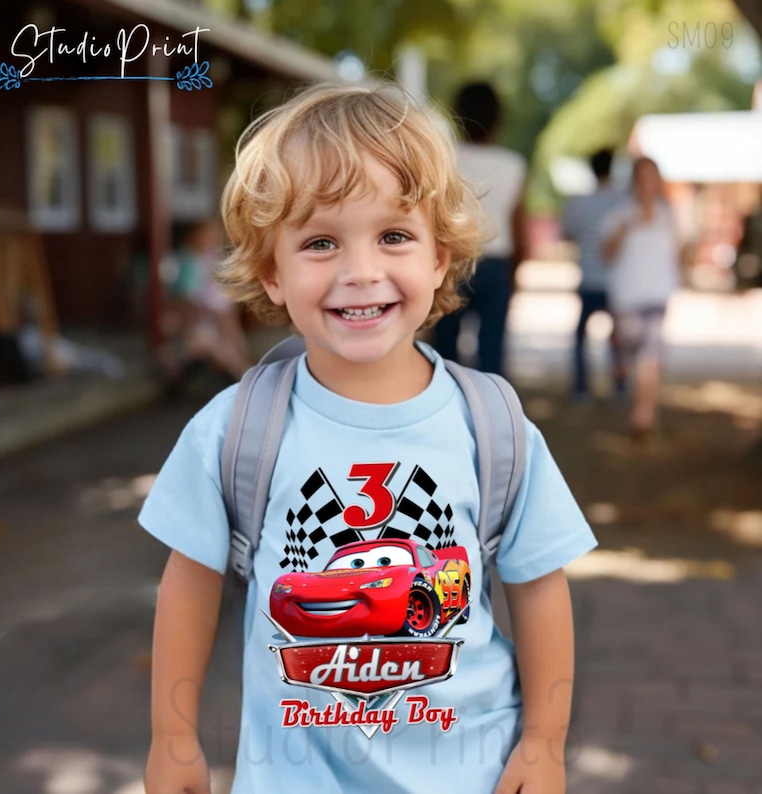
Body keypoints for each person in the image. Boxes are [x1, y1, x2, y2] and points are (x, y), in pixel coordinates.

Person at [139, 84, 597, 794]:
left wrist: (543, 742)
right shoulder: (233, 430)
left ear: (440, 258)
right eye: (320, 242)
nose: (361, 272)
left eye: (394, 236)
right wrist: (172, 738)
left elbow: (539, 587)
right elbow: (190, 582)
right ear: (272, 272)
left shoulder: (493, 426)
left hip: (471, 774)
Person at [433, 81, 528, 377]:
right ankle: (491, 413)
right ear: (499, 119)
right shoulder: (513, 164)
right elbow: (518, 223)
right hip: (496, 263)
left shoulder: (444, 159)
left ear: (456, 113)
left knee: (444, 351)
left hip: (450, 260)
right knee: (492, 351)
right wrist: (516, 271)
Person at [601, 156, 681, 437]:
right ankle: (622, 370)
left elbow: (678, 252)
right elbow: (607, 254)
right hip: (628, 296)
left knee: (651, 353)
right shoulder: (620, 214)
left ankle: (643, 414)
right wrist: (625, 229)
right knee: (633, 350)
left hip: (658, 293)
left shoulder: (668, 214)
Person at [560, 149, 627, 400]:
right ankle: (620, 386)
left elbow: (567, 232)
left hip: (588, 276)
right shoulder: (623, 199)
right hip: (617, 280)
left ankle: (581, 387)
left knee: (580, 337)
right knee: (618, 336)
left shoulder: (578, 202)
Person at [159, 219, 252, 386]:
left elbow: (222, 294)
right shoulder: (185, 261)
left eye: (213, 236)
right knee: (214, 339)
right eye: (207, 236)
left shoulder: (212, 259)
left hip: (215, 318)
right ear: (194, 237)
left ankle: (246, 372)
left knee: (229, 331)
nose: (211, 239)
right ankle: (245, 375)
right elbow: (184, 300)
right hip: (193, 322)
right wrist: (214, 313)